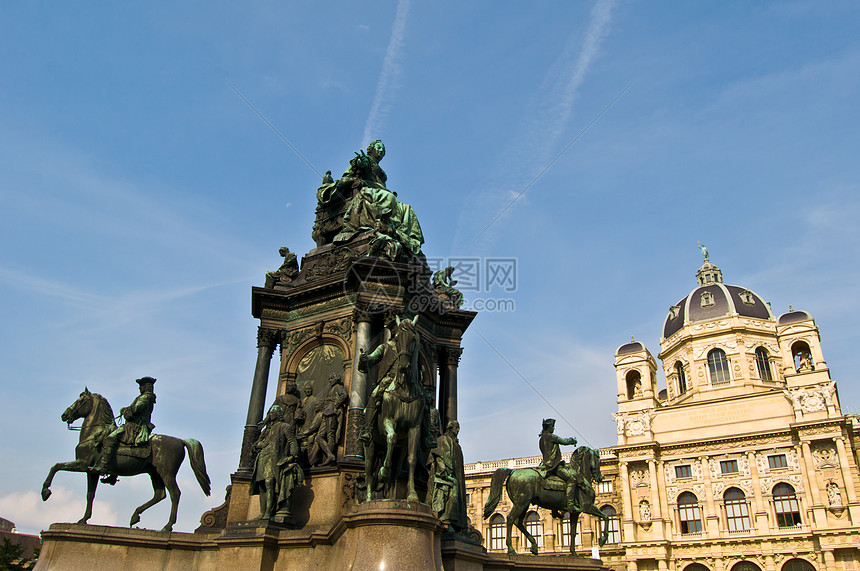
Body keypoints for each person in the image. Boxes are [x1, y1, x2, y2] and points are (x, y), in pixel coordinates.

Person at [94, 376, 157, 480]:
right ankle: (113, 473)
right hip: (134, 426)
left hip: (134, 427)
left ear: (146, 387)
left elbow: (134, 411)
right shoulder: (145, 397)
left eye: (141, 386)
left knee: (110, 438)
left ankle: (104, 467)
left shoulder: (145, 398)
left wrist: (124, 411)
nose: (139, 388)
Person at [250, 403, 303, 521]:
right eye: (270, 412)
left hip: (273, 459)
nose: (271, 414)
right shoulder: (267, 430)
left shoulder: (284, 426)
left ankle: (269, 512)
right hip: (262, 458)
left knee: (269, 483)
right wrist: (257, 445)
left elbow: (292, 441)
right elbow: (262, 443)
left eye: (273, 412)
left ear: (278, 414)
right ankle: (262, 512)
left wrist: (293, 455)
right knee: (262, 486)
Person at [427, 420, 467, 530]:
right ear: (449, 429)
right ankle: (445, 518)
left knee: (456, 489)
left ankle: (454, 521)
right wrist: (443, 470)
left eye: (458, 428)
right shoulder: (441, 440)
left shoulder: (456, 445)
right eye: (456, 428)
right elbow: (438, 456)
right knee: (454, 488)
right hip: (443, 476)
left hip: (452, 476)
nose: (458, 430)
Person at [535, 418, 579, 514]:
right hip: (553, 466)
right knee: (571, 479)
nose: (553, 429)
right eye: (552, 427)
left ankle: (555, 508)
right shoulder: (550, 437)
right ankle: (570, 504)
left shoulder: (542, 438)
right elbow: (563, 441)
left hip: (545, 465)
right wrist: (573, 440)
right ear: (548, 427)